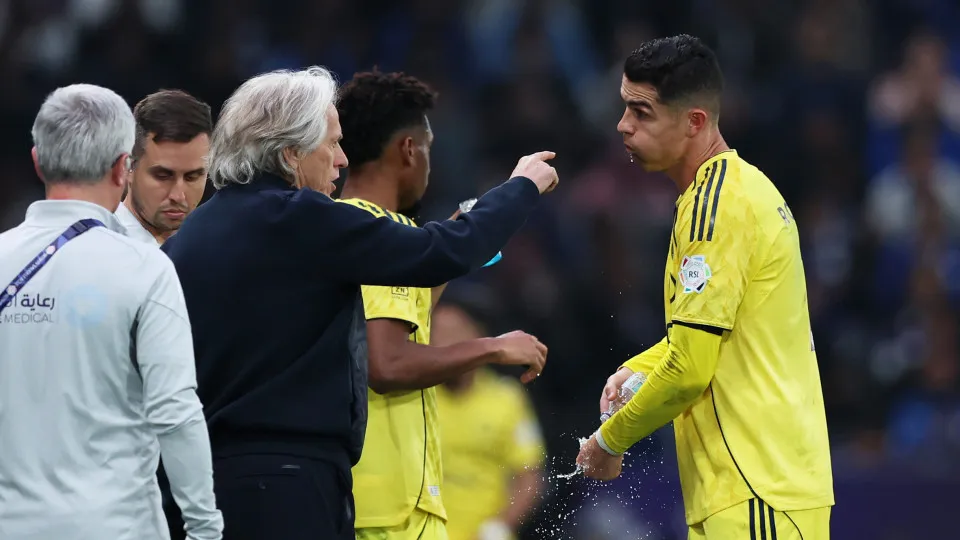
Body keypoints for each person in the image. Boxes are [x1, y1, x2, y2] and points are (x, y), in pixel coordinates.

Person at [160, 66, 558, 540]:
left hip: (204, 481)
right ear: (290, 153)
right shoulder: (301, 219)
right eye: (331, 144)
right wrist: (521, 188)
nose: (342, 160)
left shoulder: (190, 235)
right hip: (290, 484)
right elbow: (442, 253)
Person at [575, 35, 834, 540]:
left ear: (694, 121)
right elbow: (718, 334)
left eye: (641, 112)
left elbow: (690, 370)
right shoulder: (732, 190)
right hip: (754, 490)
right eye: (624, 108)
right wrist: (640, 366)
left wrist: (609, 442)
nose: (623, 125)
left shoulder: (718, 205)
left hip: (755, 488)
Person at [0, 84, 222, 540]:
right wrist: (205, 528)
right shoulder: (143, 267)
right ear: (124, 168)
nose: (179, 194)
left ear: (38, 161)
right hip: (117, 524)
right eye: (162, 175)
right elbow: (176, 412)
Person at [335, 70, 548, 540]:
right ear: (409, 150)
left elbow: (410, 301)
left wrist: (479, 220)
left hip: (384, 504)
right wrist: (492, 347)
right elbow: (386, 363)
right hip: (384, 512)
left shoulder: (348, 228)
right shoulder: (377, 234)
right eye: (429, 149)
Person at [433, 302, 546, 540]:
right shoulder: (414, 399)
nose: (444, 342)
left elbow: (529, 477)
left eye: (454, 332)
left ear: (479, 337)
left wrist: (499, 528)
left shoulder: (507, 398)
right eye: (436, 332)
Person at [116, 89, 213, 245]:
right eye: (163, 177)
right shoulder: (99, 248)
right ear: (127, 167)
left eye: (192, 177)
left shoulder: (211, 246)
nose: (178, 196)